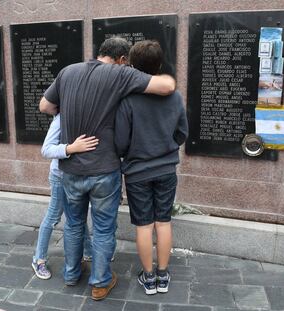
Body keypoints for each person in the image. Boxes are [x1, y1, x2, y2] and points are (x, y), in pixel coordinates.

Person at [39, 37, 176, 300]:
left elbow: (45, 106)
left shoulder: (68, 71)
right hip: (104, 170)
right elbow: (167, 85)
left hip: (70, 169)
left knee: (73, 223)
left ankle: (71, 273)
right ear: (123, 59)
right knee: (102, 228)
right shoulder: (120, 73)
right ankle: (100, 282)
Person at [114, 40, 188, 295]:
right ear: (159, 65)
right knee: (163, 222)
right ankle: (163, 275)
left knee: (144, 225)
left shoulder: (128, 99)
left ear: (133, 66)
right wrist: (166, 146)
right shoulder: (174, 96)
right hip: (166, 169)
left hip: (137, 172)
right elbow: (182, 133)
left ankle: (148, 277)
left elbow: (121, 142)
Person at [32, 113, 98, 279]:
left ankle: (88, 251)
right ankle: (38, 259)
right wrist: (71, 148)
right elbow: (46, 149)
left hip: (79, 176)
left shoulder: (85, 113)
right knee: (53, 216)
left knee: (77, 216)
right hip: (61, 177)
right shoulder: (62, 118)